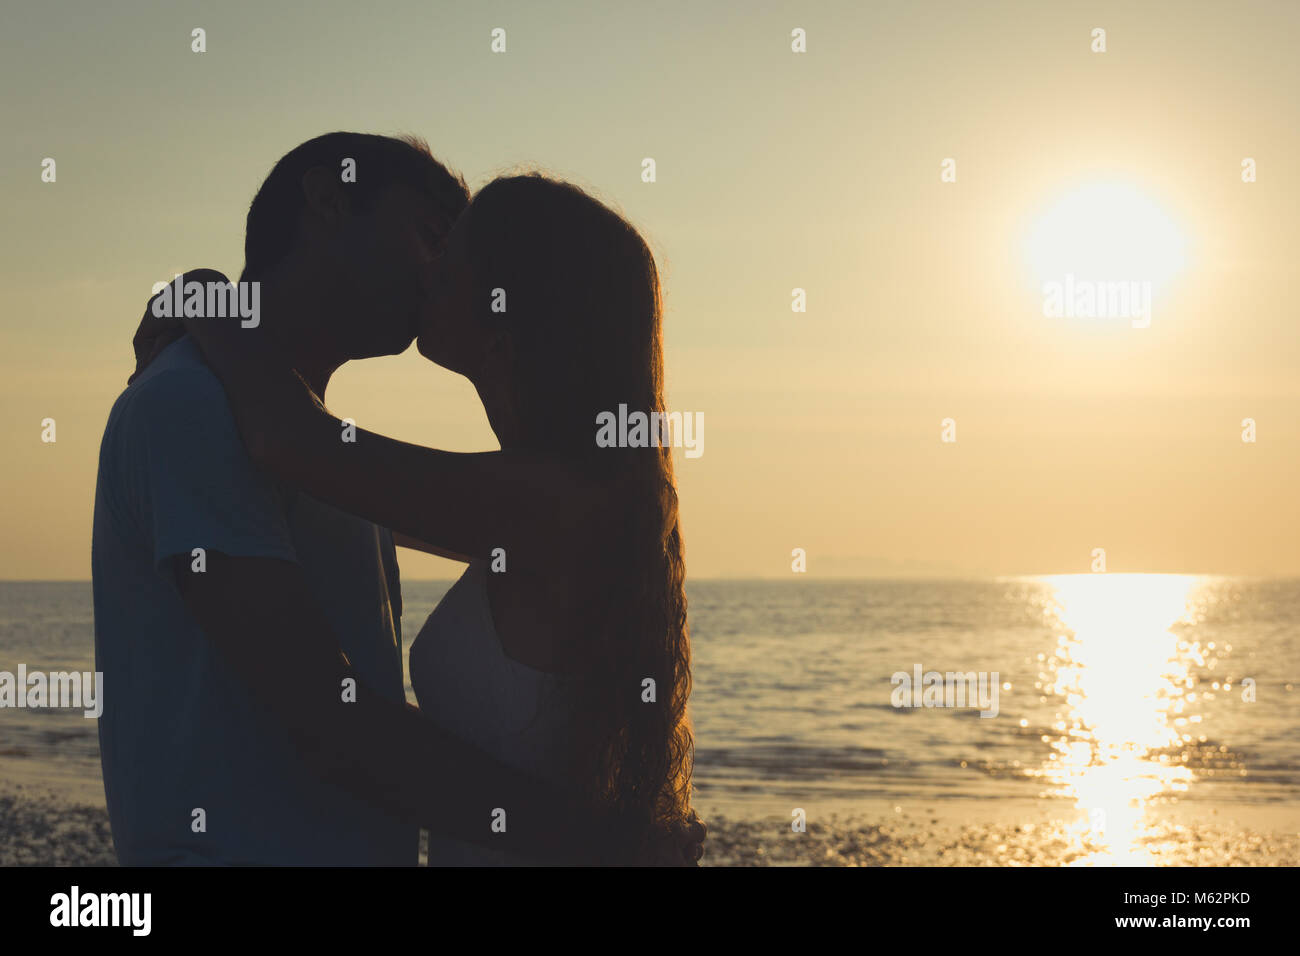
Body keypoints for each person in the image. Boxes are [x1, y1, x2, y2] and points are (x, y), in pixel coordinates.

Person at [97, 132, 700, 864]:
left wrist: (203, 294)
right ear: (324, 201)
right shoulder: (203, 408)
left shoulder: (554, 495)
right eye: (427, 235)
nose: (435, 269)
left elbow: (287, 440)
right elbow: (328, 714)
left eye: (454, 250)